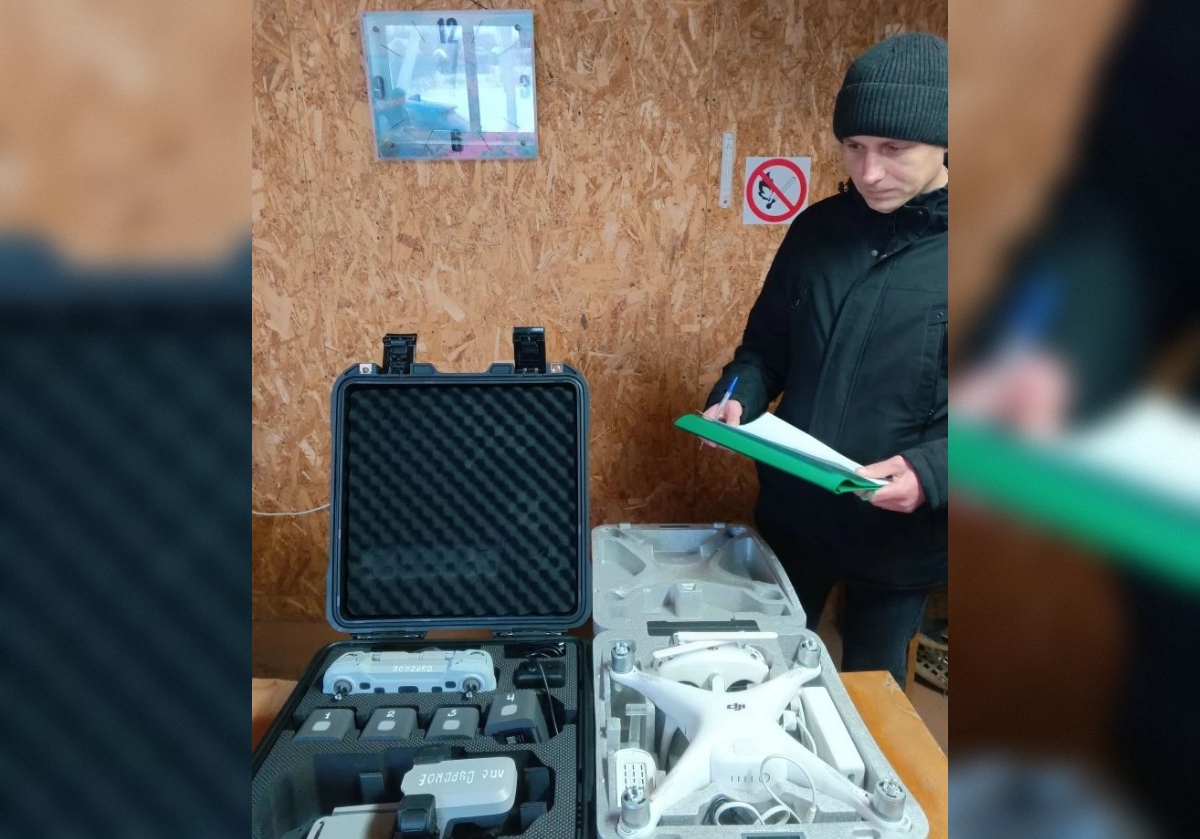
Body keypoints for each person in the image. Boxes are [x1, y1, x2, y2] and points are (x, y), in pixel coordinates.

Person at [702, 32, 948, 687]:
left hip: (902, 540)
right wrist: (735, 394)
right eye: (854, 146)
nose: (869, 172)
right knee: (768, 677)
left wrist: (931, 472)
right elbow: (763, 350)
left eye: (894, 149)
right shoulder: (816, 231)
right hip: (795, 519)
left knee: (874, 694)